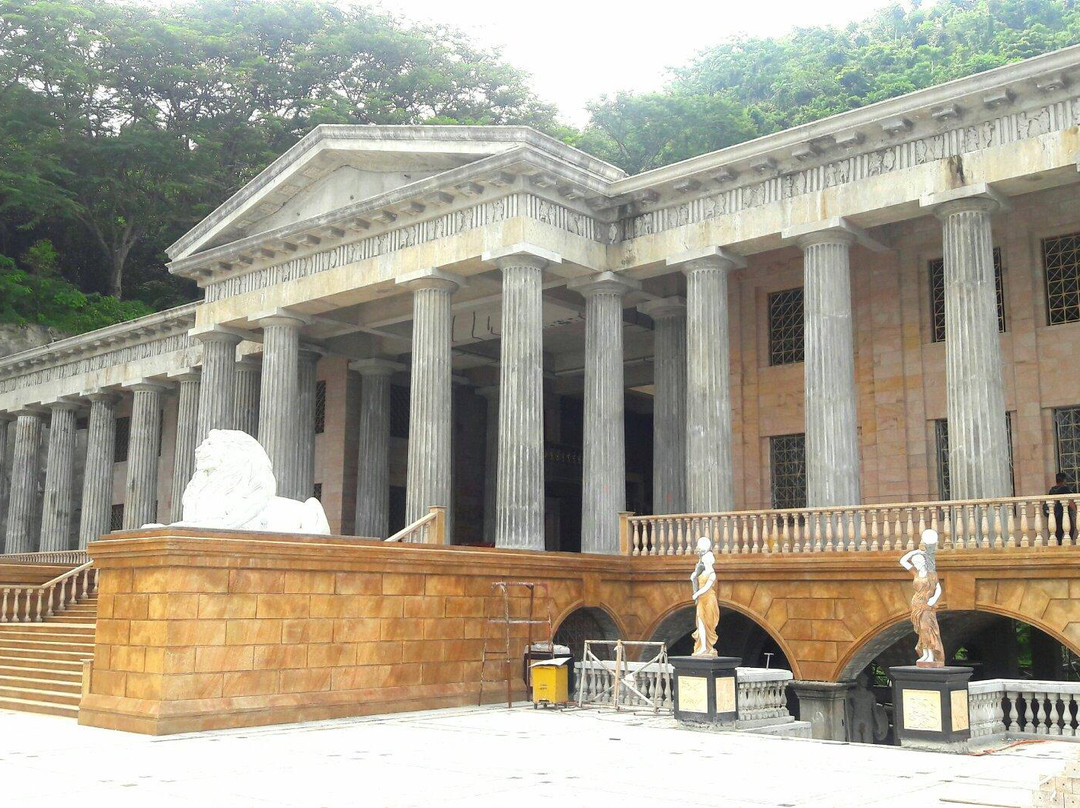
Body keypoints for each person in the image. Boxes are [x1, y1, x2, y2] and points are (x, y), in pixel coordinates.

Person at [899, 529, 944, 667]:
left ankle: (931, 654)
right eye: (916, 563)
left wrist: (933, 599)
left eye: (919, 562)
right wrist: (916, 552)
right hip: (917, 604)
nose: (917, 564)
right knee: (920, 630)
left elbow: (938, 588)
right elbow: (902, 561)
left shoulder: (931, 574)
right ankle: (925, 654)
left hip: (927, 604)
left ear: (924, 562)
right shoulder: (916, 573)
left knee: (927, 628)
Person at [690, 536, 719, 657]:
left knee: (708, 623)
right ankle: (702, 647)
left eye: (707, 560)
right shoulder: (701, 571)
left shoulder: (712, 574)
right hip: (701, 600)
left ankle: (707, 647)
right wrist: (693, 576)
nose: (705, 561)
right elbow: (695, 580)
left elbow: (707, 587)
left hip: (709, 599)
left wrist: (697, 593)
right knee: (701, 622)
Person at [1047, 473, 1076, 543]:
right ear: (1063, 480)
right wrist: (1076, 511)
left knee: (1057, 534)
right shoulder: (1064, 489)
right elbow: (1070, 501)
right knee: (1070, 530)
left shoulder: (1052, 490)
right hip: (1063, 513)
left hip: (1054, 515)